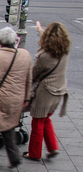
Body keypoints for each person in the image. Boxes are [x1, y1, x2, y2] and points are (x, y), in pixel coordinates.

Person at [0, 27, 32, 169]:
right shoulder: (25, 55)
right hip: (17, 98)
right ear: (16, 41)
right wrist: (27, 97)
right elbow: (29, 78)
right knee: (8, 125)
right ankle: (14, 157)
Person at [23, 21, 70, 161]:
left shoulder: (44, 55)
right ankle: (53, 147)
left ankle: (34, 153)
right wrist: (39, 30)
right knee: (46, 119)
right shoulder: (65, 51)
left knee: (37, 122)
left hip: (45, 93)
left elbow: (33, 74)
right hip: (60, 91)